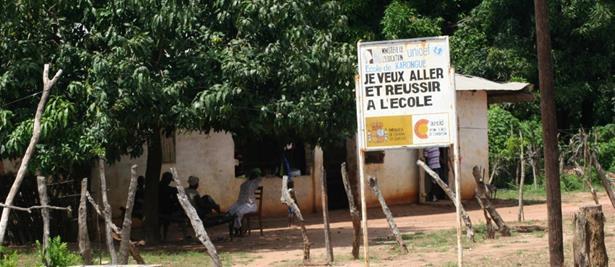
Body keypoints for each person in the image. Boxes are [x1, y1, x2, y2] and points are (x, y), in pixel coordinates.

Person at [228, 168, 262, 234]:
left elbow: (257, 182)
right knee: (231, 210)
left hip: (251, 205)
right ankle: (236, 228)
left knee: (238, 212)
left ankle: (239, 229)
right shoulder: (245, 184)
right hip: (242, 203)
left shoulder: (253, 183)